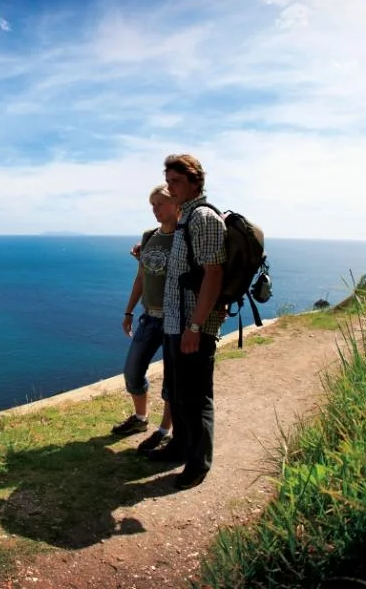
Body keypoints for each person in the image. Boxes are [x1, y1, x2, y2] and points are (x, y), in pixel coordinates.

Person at [146, 153, 228, 491]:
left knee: (196, 397)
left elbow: (214, 273)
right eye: (168, 181)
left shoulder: (204, 218)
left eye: (176, 181)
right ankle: (180, 447)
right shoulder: (185, 217)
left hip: (192, 325)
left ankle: (198, 463)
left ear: (196, 181)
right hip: (175, 323)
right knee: (178, 393)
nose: (171, 187)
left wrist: (195, 326)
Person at [112, 184, 176, 455]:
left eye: (160, 204)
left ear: (176, 204)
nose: (155, 210)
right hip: (149, 317)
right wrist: (128, 312)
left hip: (176, 319)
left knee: (173, 380)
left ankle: (164, 430)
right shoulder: (149, 236)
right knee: (132, 372)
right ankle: (140, 419)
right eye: (152, 205)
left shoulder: (185, 237)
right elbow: (141, 278)